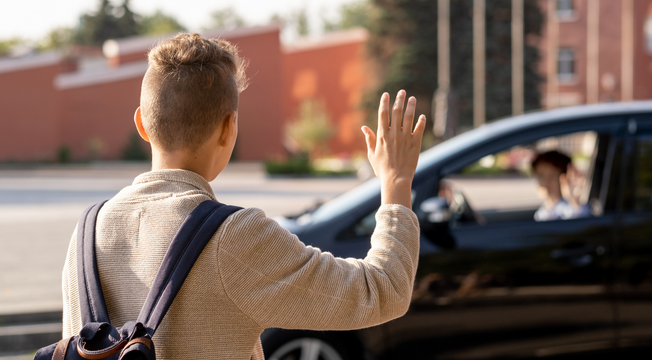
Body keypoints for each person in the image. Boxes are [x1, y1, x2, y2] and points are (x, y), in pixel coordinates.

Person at [60, 33, 426, 360]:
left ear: (142, 123)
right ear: (229, 127)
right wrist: (395, 182)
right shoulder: (234, 237)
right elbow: (384, 290)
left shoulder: (87, 234)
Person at [531, 150, 591, 221]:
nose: (545, 181)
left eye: (552, 176)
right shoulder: (541, 213)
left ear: (565, 178)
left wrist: (574, 200)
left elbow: (582, 222)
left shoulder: (569, 209)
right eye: (541, 175)